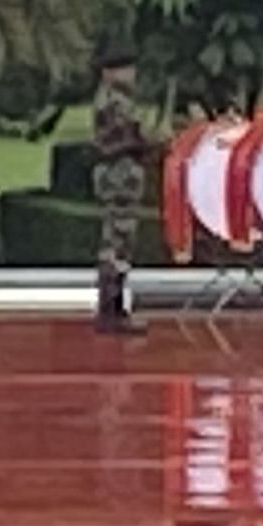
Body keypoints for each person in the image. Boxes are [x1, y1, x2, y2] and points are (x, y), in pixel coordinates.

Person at [89, 51, 151, 339]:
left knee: (118, 239)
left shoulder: (114, 99)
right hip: (119, 175)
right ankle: (111, 310)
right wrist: (146, 142)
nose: (131, 75)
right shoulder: (114, 102)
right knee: (117, 240)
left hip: (119, 174)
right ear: (109, 73)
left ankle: (113, 308)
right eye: (125, 69)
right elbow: (118, 140)